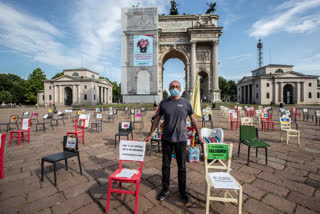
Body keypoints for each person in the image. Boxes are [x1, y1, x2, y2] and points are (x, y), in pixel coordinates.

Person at [144, 80, 205, 204]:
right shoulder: (163, 103)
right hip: (166, 139)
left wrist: (200, 136)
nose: (174, 88)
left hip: (181, 139)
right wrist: (150, 135)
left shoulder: (186, 103)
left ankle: (182, 191)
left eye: (177, 86)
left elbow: (194, 120)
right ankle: (165, 189)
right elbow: (156, 120)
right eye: (172, 86)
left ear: (180, 88)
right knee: (165, 166)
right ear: (169, 88)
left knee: (181, 167)